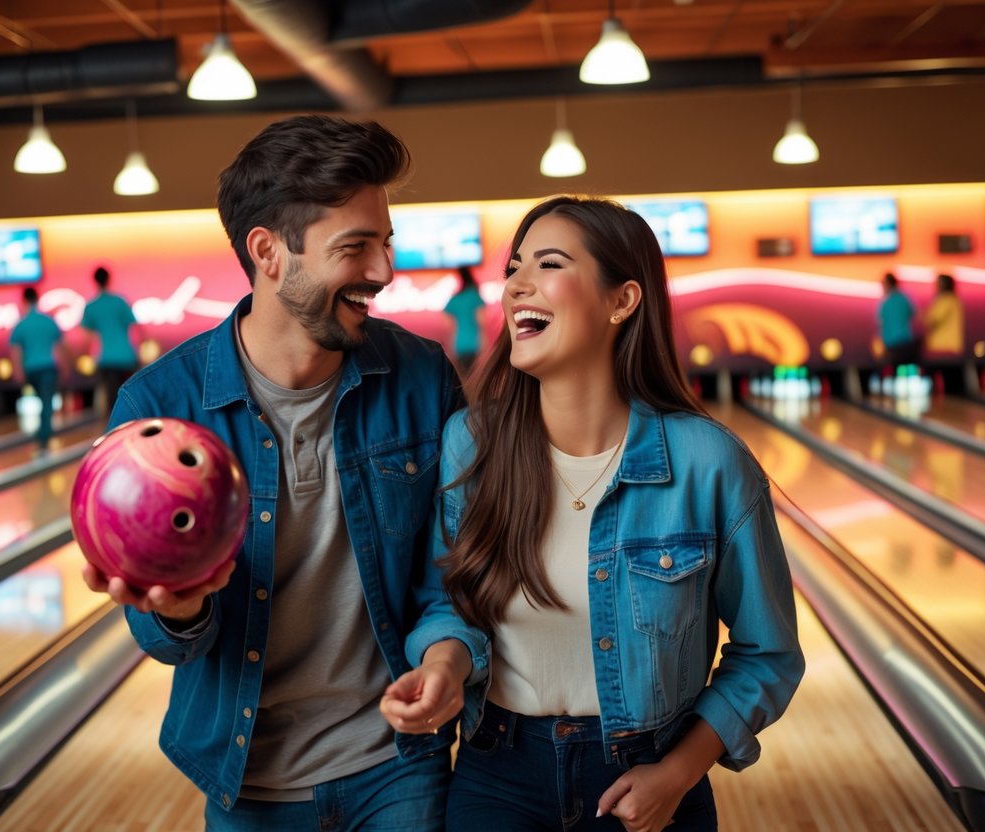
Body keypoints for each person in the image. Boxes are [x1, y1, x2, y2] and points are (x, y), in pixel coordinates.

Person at [80, 114, 488, 831]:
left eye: (385, 243)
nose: (384, 272)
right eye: (355, 247)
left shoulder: (420, 377)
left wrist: (448, 661)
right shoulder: (161, 406)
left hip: (396, 763)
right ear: (268, 252)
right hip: (250, 776)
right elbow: (161, 635)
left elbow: (451, 570)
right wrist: (177, 607)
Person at [433, 197, 805, 831]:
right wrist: (443, 663)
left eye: (548, 264)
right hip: (497, 772)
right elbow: (448, 604)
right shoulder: (472, 445)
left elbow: (767, 653)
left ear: (622, 300)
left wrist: (679, 773)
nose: (517, 283)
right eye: (514, 266)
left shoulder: (707, 462)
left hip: (650, 776)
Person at [8, 286, 67, 452]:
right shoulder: (48, 321)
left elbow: (16, 352)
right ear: (37, 298)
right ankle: (44, 436)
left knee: (43, 401)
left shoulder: (21, 324)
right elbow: (61, 347)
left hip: (31, 370)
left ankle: (42, 432)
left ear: (24, 300)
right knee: (46, 402)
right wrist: (65, 368)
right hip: (48, 368)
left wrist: (18, 371)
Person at [80, 265, 139, 415]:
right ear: (109, 279)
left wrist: (85, 356)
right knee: (131, 398)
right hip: (126, 356)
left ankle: (114, 431)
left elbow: (87, 338)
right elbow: (136, 330)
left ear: (95, 281)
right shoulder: (120, 301)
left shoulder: (91, 306)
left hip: (106, 358)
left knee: (112, 402)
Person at [922, 273, 967, 394]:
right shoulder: (954, 299)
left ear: (944, 284)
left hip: (943, 347)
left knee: (946, 380)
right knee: (953, 384)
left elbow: (933, 320)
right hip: (952, 346)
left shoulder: (945, 300)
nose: (935, 286)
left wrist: (920, 316)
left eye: (938, 283)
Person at [442, 265, 487, 375]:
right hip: (473, 342)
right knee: (473, 377)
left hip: (459, 343)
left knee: (462, 377)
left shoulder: (456, 298)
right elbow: (481, 321)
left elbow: (448, 323)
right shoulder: (475, 296)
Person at [878, 271, 920, 368]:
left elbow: (882, 324)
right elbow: (912, 314)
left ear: (888, 284)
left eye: (883, 284)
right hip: (905, 342)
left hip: (893, 345)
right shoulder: (904, 299)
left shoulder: (886, 303)